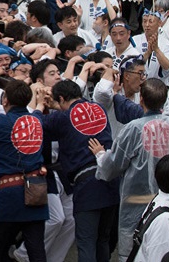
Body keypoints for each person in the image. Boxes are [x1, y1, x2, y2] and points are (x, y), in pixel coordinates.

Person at [90, 77, 169, 262]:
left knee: (132, 253)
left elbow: (112, 165)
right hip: (163, 199)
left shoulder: (133, 129)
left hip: (135, 203)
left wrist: (100, 154)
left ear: (141, 99)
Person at [42, 79, 119, 262]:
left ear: (60, 98)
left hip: (87, 185)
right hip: (111, 182)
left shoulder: (61, 117)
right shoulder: (98, 108)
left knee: (86, 243)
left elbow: (38, 124)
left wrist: (40, 105)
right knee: (103, 241)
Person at [0, 79, 49, 262]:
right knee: (37, 250)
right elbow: (37, 112)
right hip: (36, 192)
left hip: (10, 195)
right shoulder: (36, 120)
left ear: (5, 100)